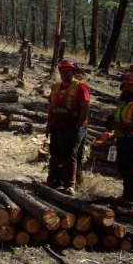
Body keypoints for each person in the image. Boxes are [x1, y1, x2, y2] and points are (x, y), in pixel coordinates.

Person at [106, 67, 133, 218]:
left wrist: (117, 126)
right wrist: (112, 123)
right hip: (123, 140)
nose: (126, 87)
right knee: (124, 169)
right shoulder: (124, 101)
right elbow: (122, 119)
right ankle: (128, 196)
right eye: (125, 85)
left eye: (130, 85)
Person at [45, 59, 90, 196]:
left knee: (69, 156)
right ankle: (53, 180)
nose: (65, 73)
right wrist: (49, 123)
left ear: (73, 72)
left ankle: (70, 185)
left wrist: (79, 124)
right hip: (57, 125)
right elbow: (51, 107)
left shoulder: (80, 87)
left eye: (68, 71)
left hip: (73, 126)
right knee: (55, 154)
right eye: (63, 71)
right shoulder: (55, 87)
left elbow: (85, 106)